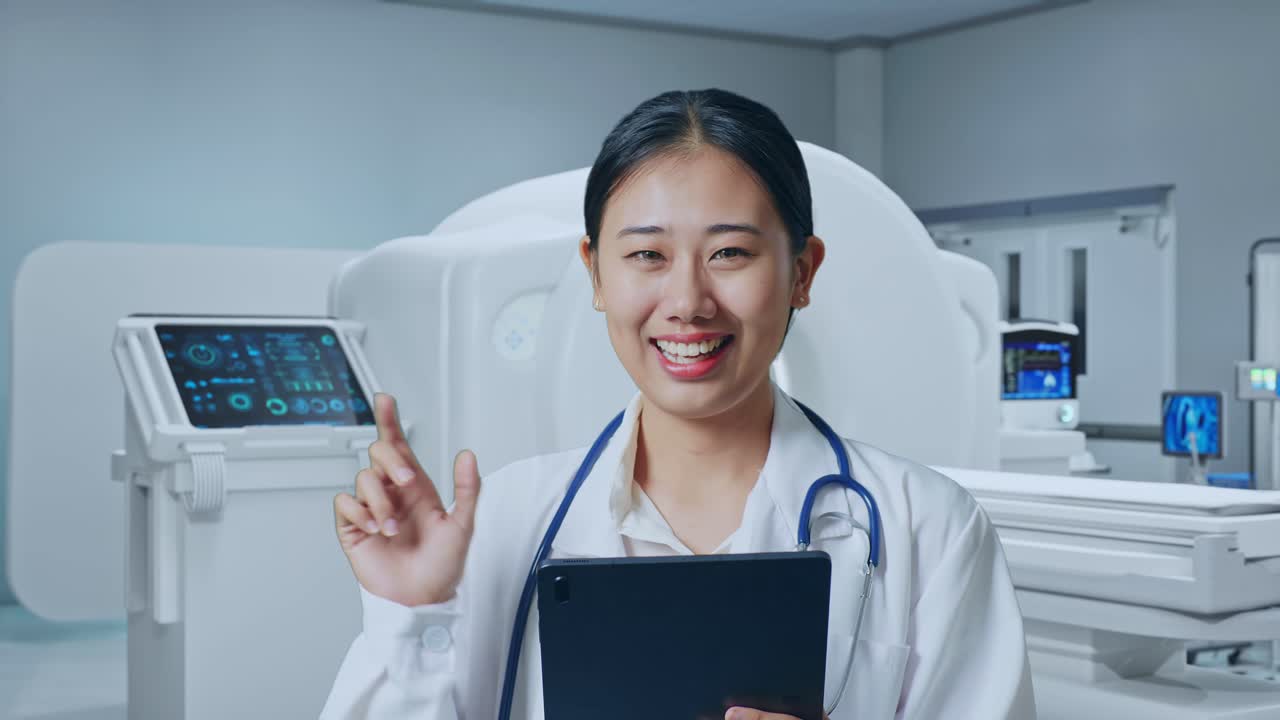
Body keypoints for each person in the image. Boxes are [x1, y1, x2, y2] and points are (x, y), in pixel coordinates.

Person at [321, 88, 1036, 720]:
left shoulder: (928, 531)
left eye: (729, 253)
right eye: (646, 256)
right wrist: (411, 614)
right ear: (594, 273)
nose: (688, 302)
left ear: (802, 272)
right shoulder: (504, 522)